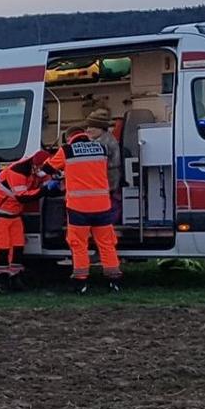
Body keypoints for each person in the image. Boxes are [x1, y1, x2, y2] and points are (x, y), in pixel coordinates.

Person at [46, 109, 123, 293]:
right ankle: (114, 281)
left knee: (79, 245)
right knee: (106, 244)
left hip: (78, 209)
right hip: (102, 206)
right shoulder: (102, 148)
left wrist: (62, 175)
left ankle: (81, 282)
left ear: (69, 138)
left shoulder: (67, 150)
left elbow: (47, 168)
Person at [0, 149, 52, 292]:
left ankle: (14, 278)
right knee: (2, 247)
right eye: (39, 168)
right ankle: (2, 281)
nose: (41, 172)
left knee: (18, 246)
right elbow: (23, 197)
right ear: (34, 164)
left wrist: (54, 186)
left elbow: (45, 181)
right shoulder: (17, 171)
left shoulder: (36, 169)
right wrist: (46, 190)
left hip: (13, 213)